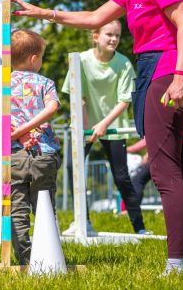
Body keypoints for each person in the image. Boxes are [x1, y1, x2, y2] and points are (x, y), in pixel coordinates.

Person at [12, 0, 183, 275]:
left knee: (164, 172)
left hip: (166, 69)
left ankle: (177, 263)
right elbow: (95, 18)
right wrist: (43, 13)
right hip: (152, 69)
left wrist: (180, 76)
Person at [61, 20, 149, 235]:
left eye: (117, 35)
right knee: (74, 169)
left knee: (121, 176)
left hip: (112, 125)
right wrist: (85, 127)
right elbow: (77, 95)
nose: (113, 39)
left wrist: (103, 125)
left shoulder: (123, 64)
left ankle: (139, 227)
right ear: (95, 37)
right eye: (109, 34)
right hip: (84, 124)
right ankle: (83, 222)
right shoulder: (80, 60)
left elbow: (124, 101)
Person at [0, 29, 61, 267]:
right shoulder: (46, 83)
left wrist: (14, 131)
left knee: (17, 207)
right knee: (44, 205)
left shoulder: (0, 88)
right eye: (41, 56)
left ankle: (26, 259)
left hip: (14, 156)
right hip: (44, 153)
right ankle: (47, 256)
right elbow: (52, 108)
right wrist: (28, 128)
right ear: (32, 59)